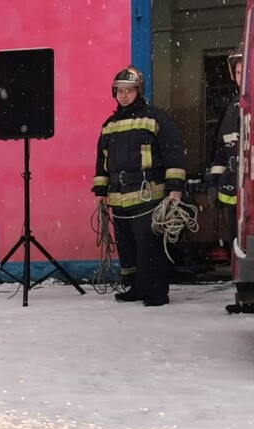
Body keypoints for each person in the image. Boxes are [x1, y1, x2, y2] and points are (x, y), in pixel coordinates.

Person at [93, 66, 187, 307]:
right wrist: (101, 192)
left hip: (149, 199)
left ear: (139, 91)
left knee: (150, 248)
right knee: (128, 250)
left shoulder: (155, 118)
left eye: (129, 90)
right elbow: (102, 162)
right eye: (119, 91)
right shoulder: (109, 125)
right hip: (119, 200)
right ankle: (136, 287)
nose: (123, 95)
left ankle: (156, 292)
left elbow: (173, 152)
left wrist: (175, 187)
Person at [208, 46, 242, 241]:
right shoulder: (232, 108)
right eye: (237, 72)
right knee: (236, 246)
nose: (240, 77)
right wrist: (213, 183)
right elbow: (222, 151)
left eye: (244, 72)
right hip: (234, 198)